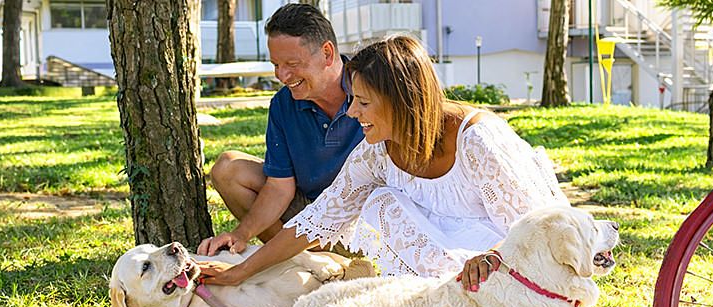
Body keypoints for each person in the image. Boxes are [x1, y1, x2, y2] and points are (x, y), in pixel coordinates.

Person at [196, 35, 569, 289]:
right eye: (352, 99)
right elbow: (318, 219)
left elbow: (543, 227)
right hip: (447, 278)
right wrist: (240, 271)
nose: (353, 113)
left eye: (363, 102)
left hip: (513, 270)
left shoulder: (479, 139)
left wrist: (490, 259)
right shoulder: (376, 152)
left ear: (402, 99)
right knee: (381, 202)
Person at [197, 3, 363, 257]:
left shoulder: (372, 88)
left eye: (292, 63)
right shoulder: (283, 105)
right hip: (308, 214)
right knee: (228, 168)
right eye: (276, 64)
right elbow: (279, 186)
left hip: (365, 223)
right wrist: (240, 234)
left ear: (327, 53)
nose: (282, 75)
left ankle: (339, 261)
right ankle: (303, 261)